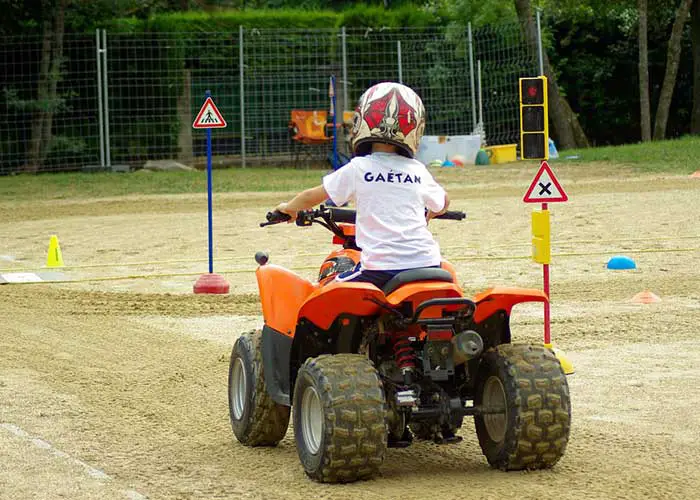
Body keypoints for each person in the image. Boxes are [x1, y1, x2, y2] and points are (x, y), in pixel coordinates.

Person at [275, 82, 449, 289]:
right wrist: (430, 213)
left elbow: (313, 196)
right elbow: (442, 202)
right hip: (428, 261)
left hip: (381, 268)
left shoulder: (359, 167)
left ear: (363, 120)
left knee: (326, 291)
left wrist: (289, 208)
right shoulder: (417, 169)